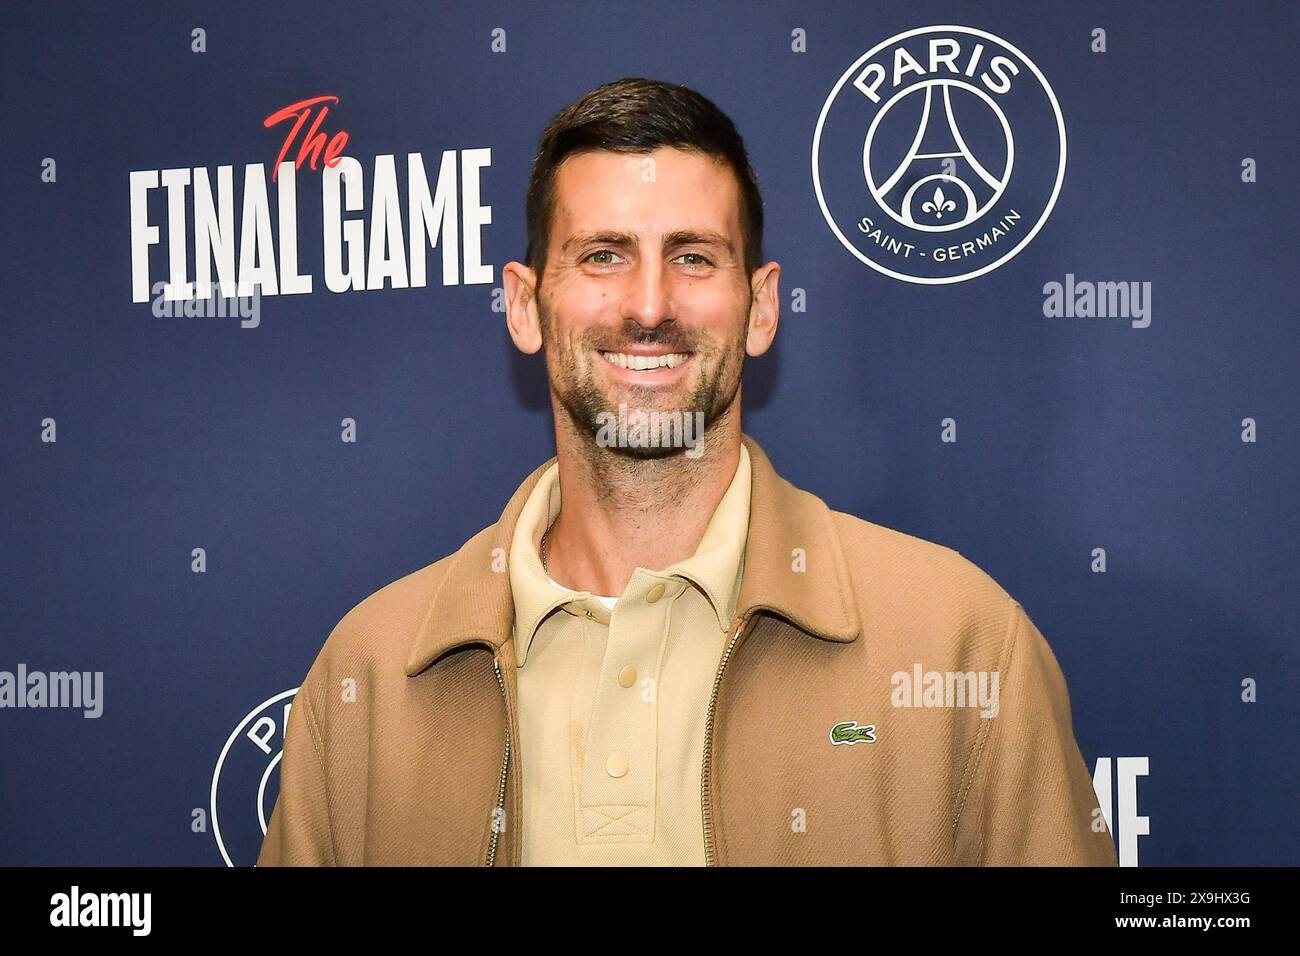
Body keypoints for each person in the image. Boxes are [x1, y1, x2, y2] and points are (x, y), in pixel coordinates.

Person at [258, 77, 1117, 866]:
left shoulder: (962, 642)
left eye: (694, 257)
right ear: (524, 306)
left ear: (762, 306)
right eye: (602, 255)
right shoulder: (365, 675)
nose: (648, 306)